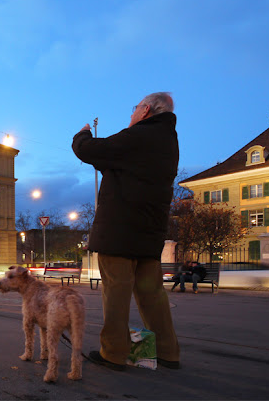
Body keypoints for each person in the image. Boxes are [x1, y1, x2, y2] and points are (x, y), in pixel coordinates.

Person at [71, 92, 180, 371]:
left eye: (134, 109)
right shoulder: (167, 141)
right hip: (149, 233)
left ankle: (114, 353)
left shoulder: (139, 135)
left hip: (121, 232)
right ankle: (167, 352)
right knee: (152, 294)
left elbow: (90, 150)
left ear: (145, 110)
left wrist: (82, 134)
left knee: (116, 294)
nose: (131, 115)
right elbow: (119, 163)